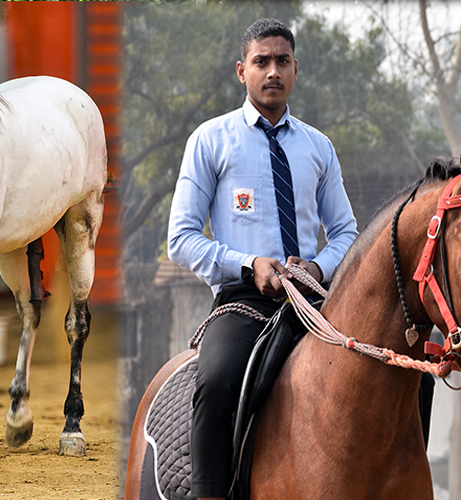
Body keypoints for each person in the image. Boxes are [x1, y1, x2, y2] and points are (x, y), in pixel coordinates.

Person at [166, 18, 358, 500]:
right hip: (244, 301)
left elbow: (346, 232)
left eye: (282, 62)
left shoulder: (319, 146)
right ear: (241, 71)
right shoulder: (210, 140)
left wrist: (318, 267)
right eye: (261, 62)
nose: (272, 71)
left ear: (296, 70)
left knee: (397, 367)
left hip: (316, 302)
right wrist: (249, 264)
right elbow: (181, 238)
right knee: (217, 379)